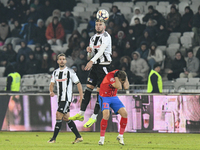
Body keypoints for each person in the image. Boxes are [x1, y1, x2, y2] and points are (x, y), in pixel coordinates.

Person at [69, 18, 112, 128]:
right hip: (95, 66)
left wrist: (91, 61)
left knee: (99, 92)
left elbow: (102, 51)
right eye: (97, 24)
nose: (98, 26)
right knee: (88, 89)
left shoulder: (106, 37)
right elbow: (91, 55)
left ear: (104, 26)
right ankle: (82, 113)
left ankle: (94, 116)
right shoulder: (93, 38)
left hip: (104, 67)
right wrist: (89, 52)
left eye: (100, 24)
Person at [48, 53, 83, 144]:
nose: (62, 60)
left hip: (66, 98)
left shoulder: (70, 71)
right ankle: (78, 137)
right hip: (60, 98)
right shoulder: (55, 72)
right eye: (60, 59)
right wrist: (51, 91)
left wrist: (81, 96)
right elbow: (51, 84)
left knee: (58, 115)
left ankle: (53, 138)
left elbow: (78, 83)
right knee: (66, 118)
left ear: (66, 61)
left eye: (64, 59)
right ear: (58, 61)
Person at [98, 70, 129, 145]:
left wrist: (126, 76)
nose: (122, 83)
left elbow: (126, 87)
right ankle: (101, 138)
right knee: (106, 115)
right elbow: (119, 87)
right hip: (104, 97)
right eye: (121, 81)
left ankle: (120, 136)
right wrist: (116, 77)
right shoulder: (110, 76)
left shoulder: (121, 74)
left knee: (124, 113)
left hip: (113, 97)